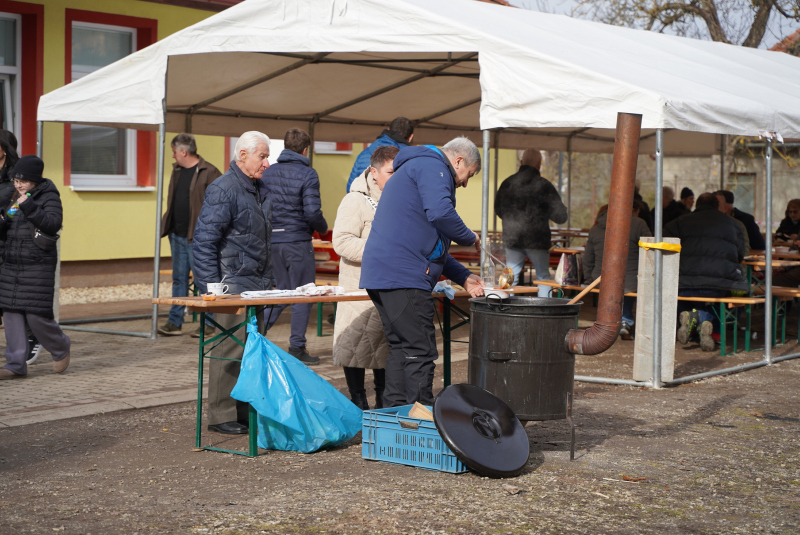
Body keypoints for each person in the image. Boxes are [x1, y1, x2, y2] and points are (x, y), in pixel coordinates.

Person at [361, 137, 485, 407]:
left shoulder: (416, 168)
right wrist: (468, 236)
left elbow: (433, 244)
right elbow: (441, 214)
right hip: (403, 275)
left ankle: (393, 420)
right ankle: (419, 420)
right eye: (469, 175)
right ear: (459, 161)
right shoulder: (433, 167)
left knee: (402, 348)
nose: (464, 183)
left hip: (384, 273)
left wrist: (463, 276)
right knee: (420, 350)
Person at [192, 132, 273, 434]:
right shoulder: (223, 189)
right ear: (242, 156)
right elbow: (203, 243)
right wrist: (212, 287)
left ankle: (241, 411)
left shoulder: (258, 188)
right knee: (229, 351)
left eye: (267, 156)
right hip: (231, 286)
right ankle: (220, 415)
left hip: (256, 283)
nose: (267, 162)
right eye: (262, 156)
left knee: (250, 351)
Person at [331, 146, 399, 409]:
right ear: (374, 172)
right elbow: (342, 243)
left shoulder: (397, 198)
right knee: (356, 346)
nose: (396, 177)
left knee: (383, 350)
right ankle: (358, 404)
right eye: (391, 172)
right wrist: (380, 252)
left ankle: (383, 408)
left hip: (387, 288)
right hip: (359, 288)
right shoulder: (354, 201)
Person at [0, 156, 71, 379]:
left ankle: (60, 347)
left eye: (22, 180)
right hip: (12, 263)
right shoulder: (16, 198)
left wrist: (29, 205)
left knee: (36, 315)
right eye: (15, 180)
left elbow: (52, 223)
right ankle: (15, 364)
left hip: (37, 264)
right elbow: (9, 221)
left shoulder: (49, 196)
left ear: (34, 180)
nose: (18, 184)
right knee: (11, 313)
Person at [262, 128, 328, 366]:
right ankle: (297, 347)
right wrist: (322, 227)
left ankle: (253, 335)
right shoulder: (308, 174)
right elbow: (312, 212)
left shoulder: (267, 174)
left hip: (272, 242)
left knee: (281, 293)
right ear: (305, 149)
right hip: (297, 241)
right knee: (303, 295)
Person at [664, 193, 747, 352]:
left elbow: (663, 243)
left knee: (686, 297)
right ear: (717, 206)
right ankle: (706, 322)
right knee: (724, 297)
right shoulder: (733, 224)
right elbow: (740, 255)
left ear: (697, 205)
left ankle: (693, 318)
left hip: (684, 280)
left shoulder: (679, 222)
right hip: (719, 282)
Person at [158, 133, 222, 338]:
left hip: (198, 238)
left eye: (174, 152)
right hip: (177, 235)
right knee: (179, 280)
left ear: (183, 151)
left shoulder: (210, 172)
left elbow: (221, 205)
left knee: (204, 280)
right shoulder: (177, 171)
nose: (173, 156)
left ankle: (210, 324)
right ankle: (174, 322)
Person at [494, 148, 568, 296]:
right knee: (543, 278)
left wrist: (511, 220)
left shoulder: (507, 183)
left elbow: (498, 209)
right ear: (539, 164)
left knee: (510, 277)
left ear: (521, 162)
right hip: (537, 240)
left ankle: (504, 310)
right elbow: (560, 216)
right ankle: (544, 313)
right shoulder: (544, 185)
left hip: (512, 238)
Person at [583, 199, 652, 340]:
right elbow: (650, 251)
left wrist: (589, 279)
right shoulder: (639, 224)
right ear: (634, 210)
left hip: (600, 278)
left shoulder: (595, 229)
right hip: (630, 281)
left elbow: (587, 258)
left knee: (615, 286)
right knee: (628, 283)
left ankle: (607, 322)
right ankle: (625, 321)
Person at [346, 117, 414, 193]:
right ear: (411, 137)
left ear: (388, 129)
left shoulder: (363, 154)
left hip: (364, 201)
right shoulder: (411, 157)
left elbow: (351, 187)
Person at [714, 190, 755, 255]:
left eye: (716, 205)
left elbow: (755, 246)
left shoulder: (742, 222)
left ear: (725, 207)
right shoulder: (705, 222)